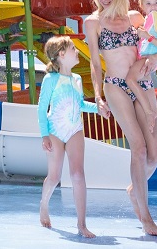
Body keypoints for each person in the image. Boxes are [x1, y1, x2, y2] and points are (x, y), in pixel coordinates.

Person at [82, 0, 157, 236]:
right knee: (138, 149)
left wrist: (156, 62)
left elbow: (155, 48)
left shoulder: (135, 18)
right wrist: (97, 96)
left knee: (155, 155)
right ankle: (146, 218)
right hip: (116, 85)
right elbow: (96, 64)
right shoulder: (93, 22)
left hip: (142, 83)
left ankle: (134, 188)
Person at [37, 35, 108, 238]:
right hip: (55, 132)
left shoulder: (76, 79)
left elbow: (80, 104)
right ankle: (44, 205)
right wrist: (44, 136)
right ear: (62, 54)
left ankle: (81, 224)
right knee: (54, 176)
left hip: (75, 128)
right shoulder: (50, 80)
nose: (77, 52)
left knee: (78, 175)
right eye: (73, 49)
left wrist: (98, 109)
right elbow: (42, 109)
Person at [124, 0, 157, 130]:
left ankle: (149, 113)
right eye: (149, 3)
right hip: (145, 59)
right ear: (142, 7)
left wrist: (147, 37)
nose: (153, 6)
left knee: (130, 80)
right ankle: (148, 116)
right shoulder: (148, 21)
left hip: (145, 60)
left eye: (156, 3)